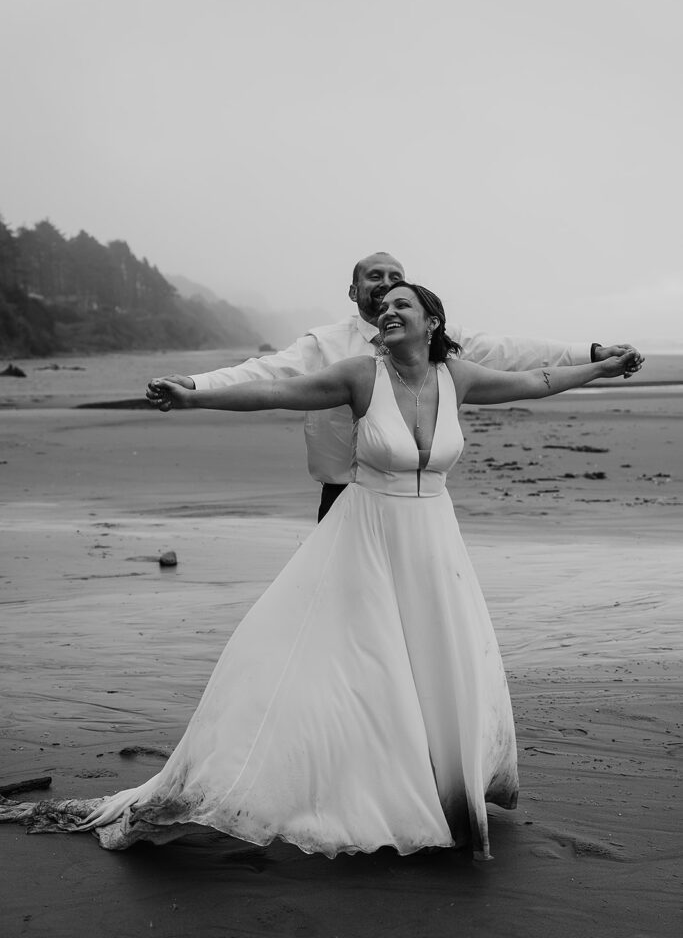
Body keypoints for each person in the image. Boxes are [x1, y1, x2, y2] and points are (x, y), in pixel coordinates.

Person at [1, 281, 639, 861]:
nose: (386, 312)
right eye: (381, 307)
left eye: (401, 306)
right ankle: (371, 793)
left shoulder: (458, 376)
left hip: (435, 544)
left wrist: (603, 367)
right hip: (367, 535)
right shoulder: (361, 376)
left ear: (433, 320)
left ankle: (446, 785)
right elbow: (277, 389)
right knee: (365, 667)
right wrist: (197, 395)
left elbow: (537, 382)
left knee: (438, 664)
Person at [146, 252, 643, 521]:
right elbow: (268, 379)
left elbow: (522, 360)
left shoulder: (448, 356)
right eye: (374, 277)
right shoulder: (332, 348)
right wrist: (196, 385)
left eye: (397, 279)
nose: (385, 286)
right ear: (354, 291)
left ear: (429, 318)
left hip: (427, 511)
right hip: (347, 496)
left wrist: (592, 355)